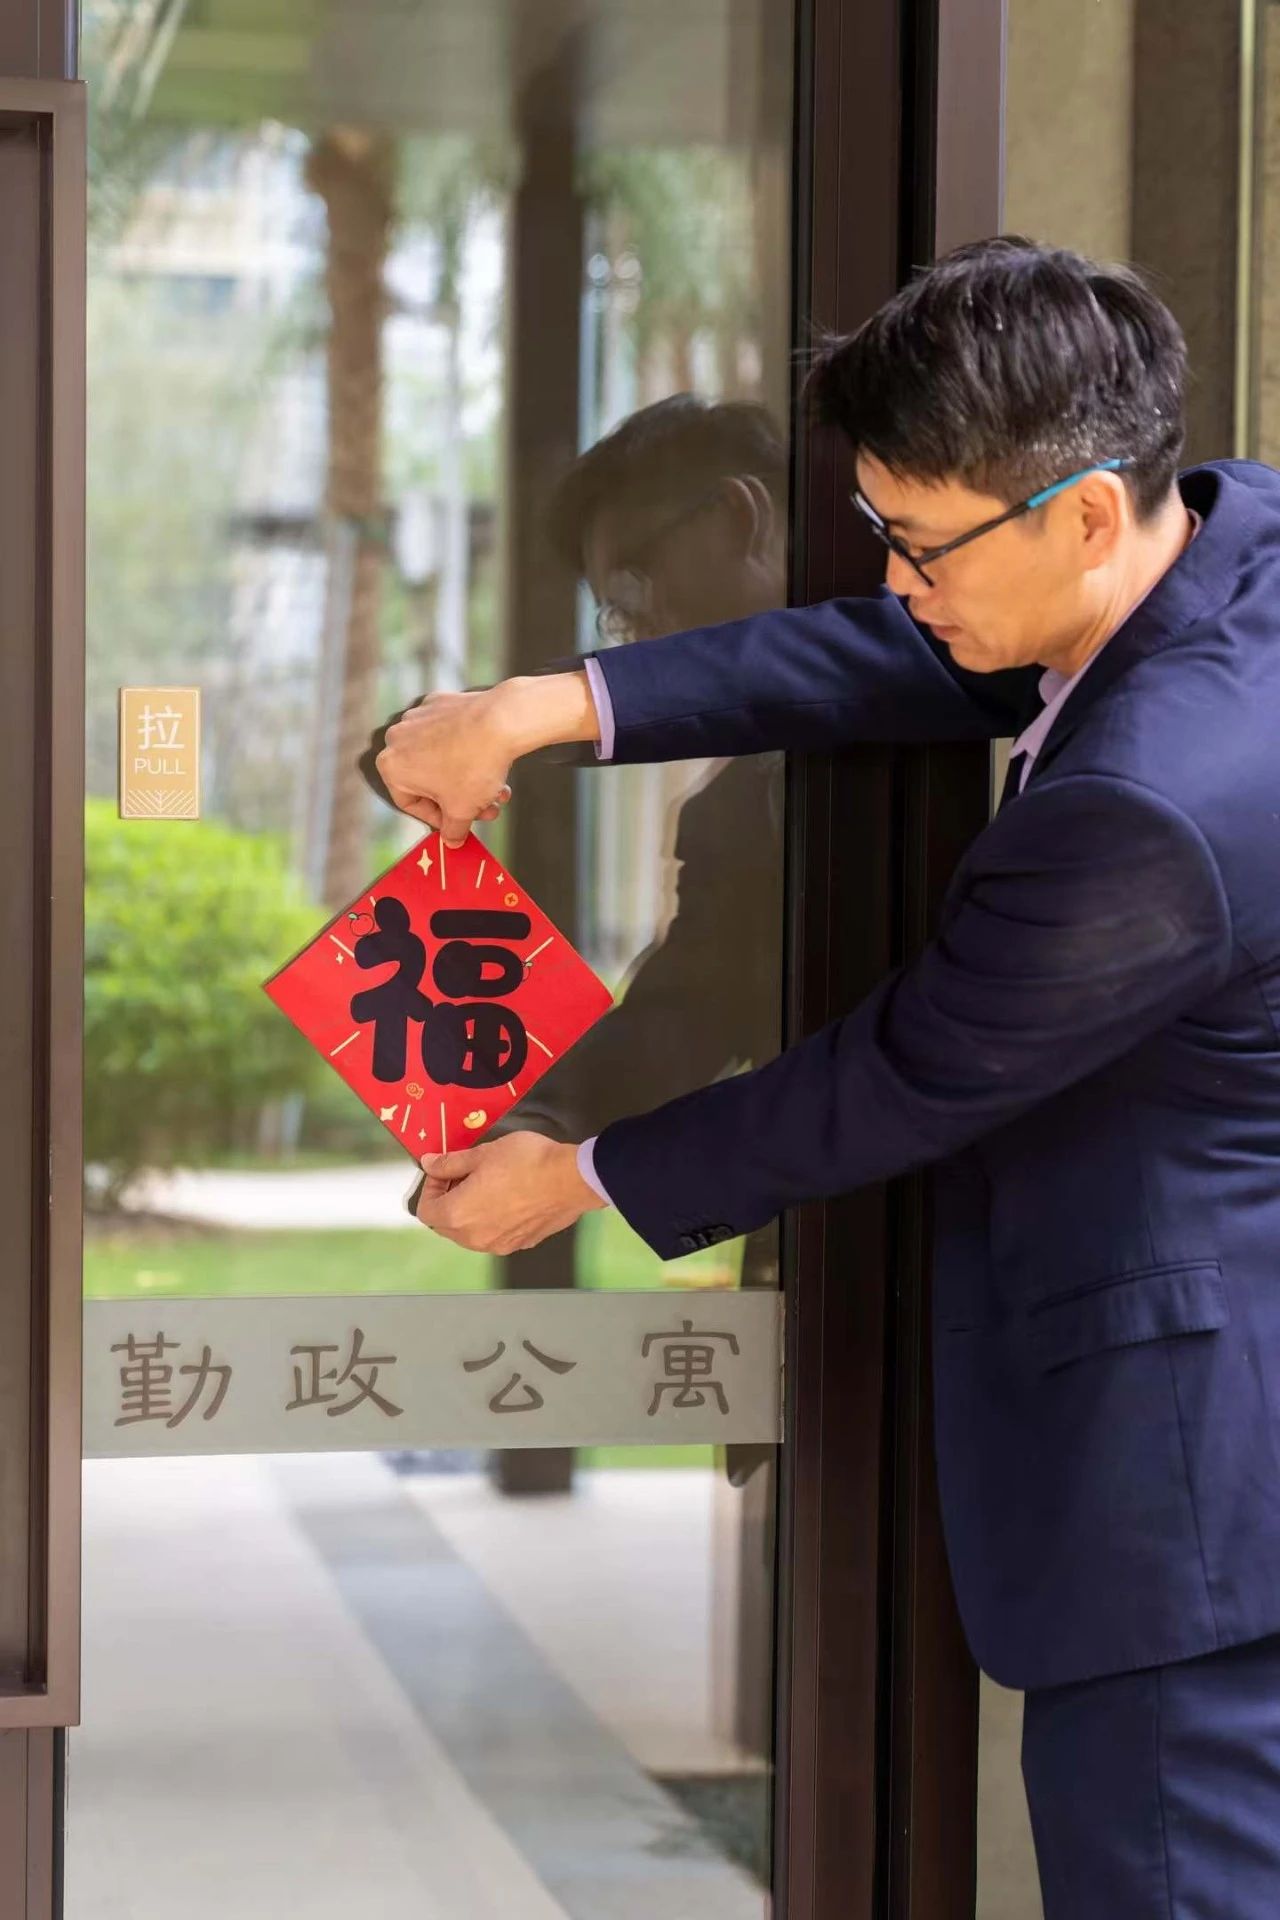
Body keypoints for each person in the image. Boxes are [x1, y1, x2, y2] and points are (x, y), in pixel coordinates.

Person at [376, 236, 1280, 1916]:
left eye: (918, 543)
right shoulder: (1229, 541)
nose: (893, 579)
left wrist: (582, 1173)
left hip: (1195, 1488)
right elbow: (920, 656)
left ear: (1087, 512)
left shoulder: (1153, 807)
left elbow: (911, 1070)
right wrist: (552, 706)